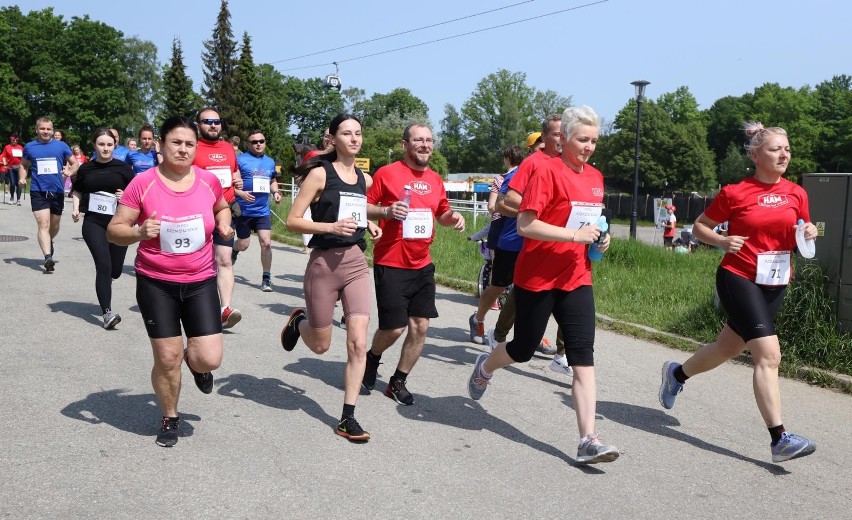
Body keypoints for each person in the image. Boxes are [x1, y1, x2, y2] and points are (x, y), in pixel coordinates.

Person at [468, 106, 620, 465]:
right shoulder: (545, 170)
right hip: (538, 275)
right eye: (583, 140)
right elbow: (524, 224)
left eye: (594, 141)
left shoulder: (596, 177)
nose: (589, 147)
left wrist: (600, 239)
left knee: (583, 357)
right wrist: (573, 235)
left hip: (577, 276)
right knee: (522, 348)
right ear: (564, 138)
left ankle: (588, 440)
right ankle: (485, 367)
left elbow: (591, 223)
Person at [658, 122, 818, 463]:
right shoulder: (736, 192)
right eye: (776, 149)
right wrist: (721, 240)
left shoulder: (796, 192)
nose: (784, 154)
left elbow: (800, 232)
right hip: (738, 276)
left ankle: (677, 374)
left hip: (774, 282)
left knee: (727, 347)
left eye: (787, 149)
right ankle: (780, 439)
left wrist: (809, 230)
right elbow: (701, 226)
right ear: (756, 155)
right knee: (769, 355)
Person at [107, 116, 233, 447]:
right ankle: (169, 415)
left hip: (201, 280)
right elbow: (115, 229)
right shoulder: (143, 182)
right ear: (162, 144)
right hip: (155, 282)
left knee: (209, 358)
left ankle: (197, 365)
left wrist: (223, 225)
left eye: (189, 144)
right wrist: (138, 232)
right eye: (176, 142)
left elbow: (222, 208)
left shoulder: (207, 181)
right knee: (167, 358)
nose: (183, 149)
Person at [279, 114, 382, 442]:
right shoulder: (320, 174)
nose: (354, 139)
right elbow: (292, 221)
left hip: (354, 263)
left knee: (358, 342)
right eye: (347, 133)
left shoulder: (364, 178)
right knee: (321, 345)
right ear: (333, 139)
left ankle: (347, 417)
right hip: (323, 264)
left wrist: (369, 223)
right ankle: (300, 322)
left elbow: (355, 210)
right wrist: (329, 228)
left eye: (358, 133)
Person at [360, 122, 466, 407]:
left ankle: (397, 382)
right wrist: (384, 212)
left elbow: (442, 211)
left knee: (420, 326)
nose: (425, 145)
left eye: (429, 141)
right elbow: (363, 205)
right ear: (405, 144)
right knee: (394, 329)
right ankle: (371, 359)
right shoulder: (387, 173)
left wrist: (454, 217)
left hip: (422, 263)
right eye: (418, 140)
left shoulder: (434, 179)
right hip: (391, 261)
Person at [71, 128, 134, 328]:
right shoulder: (86, 168)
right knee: (103, 266)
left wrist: (124, 197)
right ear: (94, 145)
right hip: (93, 223)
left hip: (119, 224)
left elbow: (136, 197)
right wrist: (75, 209)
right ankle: (107, 313)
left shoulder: (124, 169)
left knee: (115, 271)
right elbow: (77, 191)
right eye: (101, 144)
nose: (105, 148)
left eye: (109, 144)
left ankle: (107, 286)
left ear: (115, 145)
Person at [193, 108, 244, 329]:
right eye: (207, 122)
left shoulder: (228, 148)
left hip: (225, 211)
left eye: (216, 121)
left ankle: (225, 309)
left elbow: (234, 173)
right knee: (199, 261)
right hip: (199, 211)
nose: (213, 125)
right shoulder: (192, 147)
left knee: (224, 259)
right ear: (198, 125)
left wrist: (238, 182)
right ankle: (196, 304)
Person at [20, 117, 78, 271]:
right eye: (42, 129)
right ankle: (48, 257)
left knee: (54, 225)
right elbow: (23, 165)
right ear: (36, 130)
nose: (46, 131)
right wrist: (21, 178)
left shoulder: (61, 146)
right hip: (38, 190)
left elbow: (75, 163)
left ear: (52, 130)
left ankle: (48, 241)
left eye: (49, 129)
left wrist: (69, 171)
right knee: (43, 224)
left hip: (57, 191)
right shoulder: (30, 147)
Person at [233, 129, 282, 291]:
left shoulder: (269, 161)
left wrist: (275, 192)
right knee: (244, 244)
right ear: (248, 144)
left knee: (266, 243)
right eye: (254, 142)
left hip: (262, 210)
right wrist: (240, 193)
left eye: (261, 141)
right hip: (243, 210)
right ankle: (234, 250)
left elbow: (272, 179)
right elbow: (232, 183)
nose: (259, 144)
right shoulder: (240, 160)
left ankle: (266, 278)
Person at [1, 134, 24, 205]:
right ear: (11, 140)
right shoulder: (7, 147)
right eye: (13, 140)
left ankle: (18, 199)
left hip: (19, 167)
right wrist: (5, 164)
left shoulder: (20, 147)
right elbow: (4, 156)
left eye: (16, 140)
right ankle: (11, 197)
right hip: (10, 167)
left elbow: (24, 157)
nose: (15, 141)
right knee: (13, 183)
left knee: (19, 184)